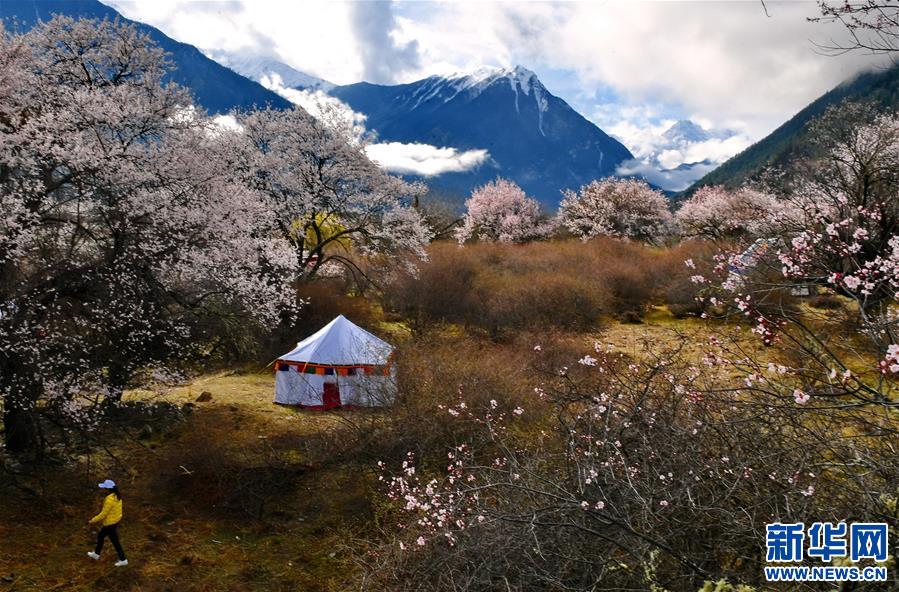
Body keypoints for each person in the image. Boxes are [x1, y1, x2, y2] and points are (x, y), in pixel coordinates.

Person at [86, 479, 128, 567]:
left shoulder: (109, 499)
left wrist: (92, 520)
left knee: (115, 541)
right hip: (115, 521)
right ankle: (96, 554)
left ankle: (123, 559)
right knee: (100, 536)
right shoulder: (117, 496)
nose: (103, 490)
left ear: (108, 489)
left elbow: (103, 514)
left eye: (104, 488)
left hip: (110, 524)